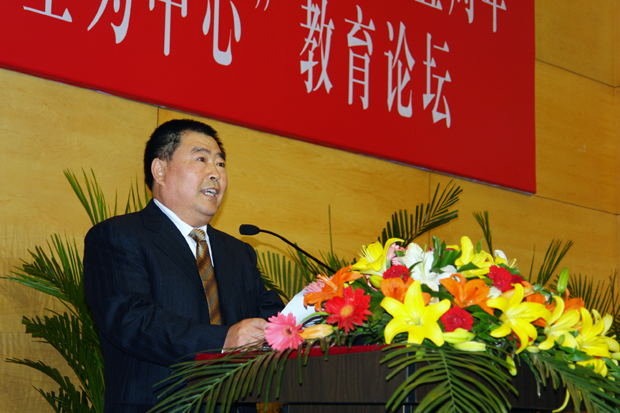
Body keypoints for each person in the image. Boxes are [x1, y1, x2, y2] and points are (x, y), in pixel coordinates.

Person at [83, 119, 284, 413]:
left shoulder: (238, 252)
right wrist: (223, 341)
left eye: (220, 164)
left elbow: (274, 319)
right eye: (201, 159)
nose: (215, 173)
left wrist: (320, 314)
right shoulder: (118, 236)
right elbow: (132, 321)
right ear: (160, 170)